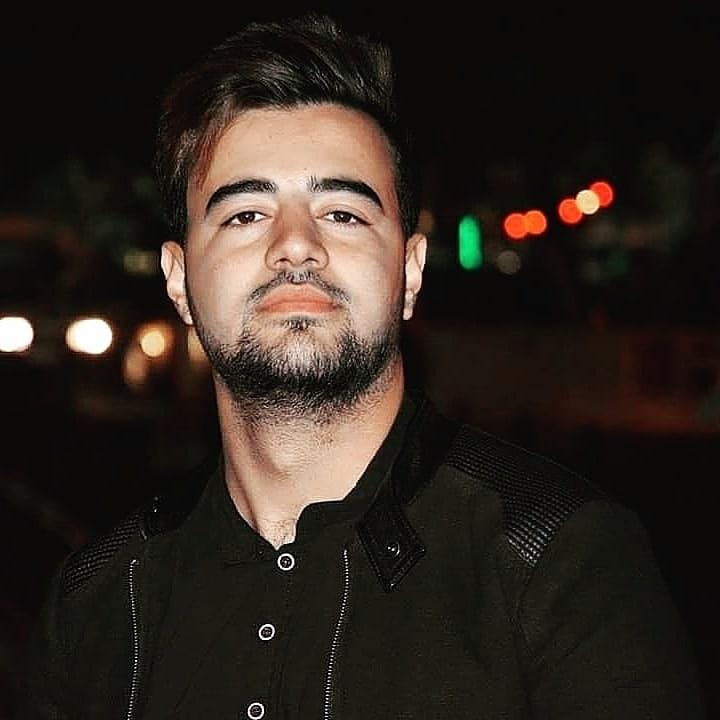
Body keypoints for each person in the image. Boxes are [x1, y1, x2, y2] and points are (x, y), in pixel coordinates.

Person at [19, 11, 706, 719]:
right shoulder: (96, 607)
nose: (295, 245)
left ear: (410, 271)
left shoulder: (559, 559)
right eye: (245, 214)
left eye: (342, 213)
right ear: (177, 280)